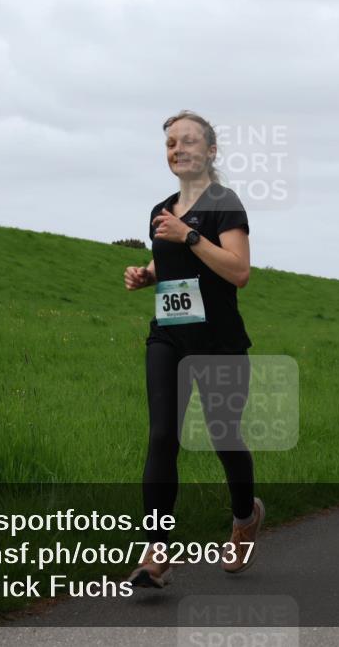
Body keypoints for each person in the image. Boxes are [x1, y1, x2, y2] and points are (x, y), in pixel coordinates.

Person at [124, 110, 263, 588]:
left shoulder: (225, 204)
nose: (177, 150)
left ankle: (245, 518)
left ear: (210, 151)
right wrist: (148, 275)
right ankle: (156, 551)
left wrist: (189, 235)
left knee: (224, 436)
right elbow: (171, 263)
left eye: (187, 141)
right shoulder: (161, 210)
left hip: (218, 342)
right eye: (170, 144)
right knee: (163, 436)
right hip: (169, 336)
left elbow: (239, 271)